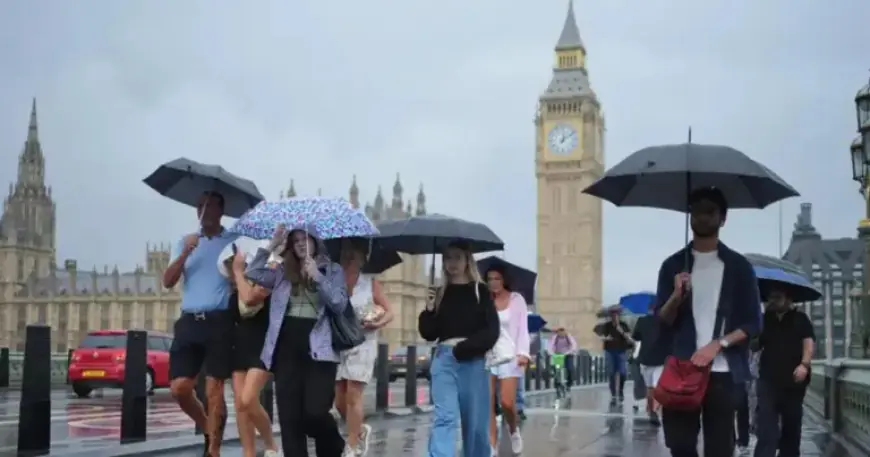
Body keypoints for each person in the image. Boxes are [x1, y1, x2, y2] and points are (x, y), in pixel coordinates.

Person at [655, 187, 761, 457]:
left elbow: (753, 323)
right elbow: (662, 319)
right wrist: (676, 297)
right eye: (697, 210)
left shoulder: (739, 267)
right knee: (680, 447)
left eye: (710, 211)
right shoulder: (673, 266)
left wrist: (719, 344)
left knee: (719, 449)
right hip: (681, 368)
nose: (702, 216)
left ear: (722, 219)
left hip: (723, 374)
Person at [244, 224, 349, 457]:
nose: (301, 243)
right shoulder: (282, 271)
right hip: (286, 348)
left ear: (315, 242)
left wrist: (318, 277)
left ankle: (335, 444)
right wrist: (270, 246)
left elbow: (339, 304)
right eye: (296, 240)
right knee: (290, 419)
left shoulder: (332, 270)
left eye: (306, 239)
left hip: (319, 349)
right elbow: (252, 272)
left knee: (315, 413)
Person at [163, 191, 239, 457]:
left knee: (213, 389)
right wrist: (185, 252)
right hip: (189, 321)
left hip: (219, 321)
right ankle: (208, 427)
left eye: (208, 206)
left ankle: (214, 450)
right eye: (199, 206)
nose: (202, 211)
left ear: (221, 209)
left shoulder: (232, 242)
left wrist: (234, 276)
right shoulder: (185, 241)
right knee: (180, 388)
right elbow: (168, 281)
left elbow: (241, 279)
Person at [419, 241, 499, 457]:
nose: (451, 263)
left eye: (456, 257)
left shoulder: (479, 291)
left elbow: (492, 331)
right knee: (444, 418)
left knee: (474, 426)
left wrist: (465, 348)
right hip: (444, 361)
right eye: (447, 258)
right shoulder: (440, 293)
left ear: (467, 261)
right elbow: (429, 333)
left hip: (473, 362)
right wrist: (428, 309)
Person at [334, 238, 394, 457]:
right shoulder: (334, 281)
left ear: (363, 259)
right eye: (346, 253)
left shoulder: (370, 283)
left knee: (353, 394)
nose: (349, 257)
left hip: (363, 342)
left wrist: (377, 322)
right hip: (340, 343)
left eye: (354, 254)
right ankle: (359, 431)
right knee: (339, 400)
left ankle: (352, 446)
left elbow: (389, 311)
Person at [225, 246, 280, 457]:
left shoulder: (268, 273)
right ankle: (248, 453)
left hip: (263, 343)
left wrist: (239, 273)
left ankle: (271, 445)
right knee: (241, 405)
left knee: (248, 399)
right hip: (239, 344)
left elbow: (251, 299)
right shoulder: (234, 284)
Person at [752, 287, 814, 457]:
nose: (773, 301)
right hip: (768, 379)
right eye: (771, 298)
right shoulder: (765, 320)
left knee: (791, 428)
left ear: (788, 299)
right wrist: (755, 330)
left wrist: (804, 365)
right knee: (766, 428)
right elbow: (755, 345)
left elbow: (808, 343)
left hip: (794, 381)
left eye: (777, 297)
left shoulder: (800, 318)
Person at [484, 264, 530, 455]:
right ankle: (492, 447)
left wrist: (523, 354)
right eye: (490, 279)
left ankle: (513, 430)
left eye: (497, 278)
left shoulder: (516, 299)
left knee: (507, 403)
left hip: (510, 356)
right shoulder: (483, 300)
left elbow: (522, 329)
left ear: (504, 280)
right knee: (488, 405)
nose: (493, 283)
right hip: (487, 356)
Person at [631, 301, 667, 425]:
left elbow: (635, 337)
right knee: (657, 385)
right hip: (660, 358)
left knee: (649, 387)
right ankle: (654, 410)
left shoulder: (641, 320)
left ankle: (651, 409)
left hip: (645, 358)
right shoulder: (664, 321)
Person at [598, 309, 632, 405]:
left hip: (621, 351)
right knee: (611, 372)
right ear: (611, 316)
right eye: (613, 316)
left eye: (616, 315)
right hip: (609, 351)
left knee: (622, 372)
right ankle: (613, 394)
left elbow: (629, 338)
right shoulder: (607, 326)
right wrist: (606, 338)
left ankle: (620, 390)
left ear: (619, 316)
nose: (615, 317)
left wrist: (621, 331)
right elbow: (600, 336)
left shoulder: (624, 325)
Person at [547, 328, 578, 394]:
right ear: (557, 332)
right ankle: (557, 386)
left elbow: (574, 345)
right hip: (558, 355)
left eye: (563, 331)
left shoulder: (568, 336)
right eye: (559, 332)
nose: (561, 333)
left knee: (570, 369)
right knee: (557, 370)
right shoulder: (555, 337)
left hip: (568, 355)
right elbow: (550, 346)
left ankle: (569, 385)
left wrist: (568, 352)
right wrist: (551, 353)